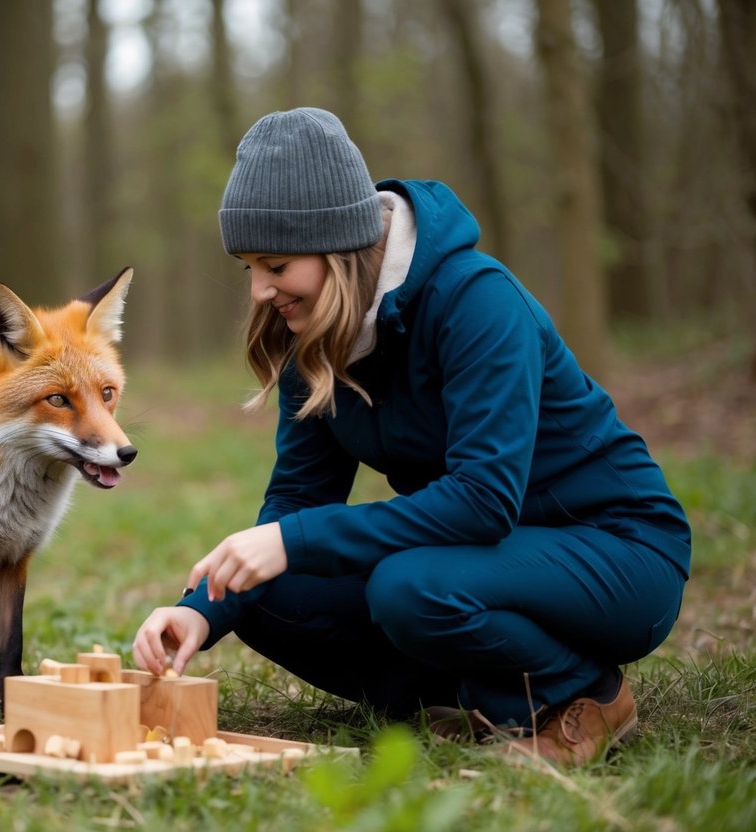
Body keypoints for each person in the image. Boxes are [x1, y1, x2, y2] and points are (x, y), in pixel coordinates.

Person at [132, 107, 691, 766]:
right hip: (481, 560)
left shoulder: (476, 300)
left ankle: (585, 693)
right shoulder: (312, 337)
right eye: (248, 268)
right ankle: (477, 699)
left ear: (336, 243)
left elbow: (483, 500)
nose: (259, 290)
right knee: (264, 594)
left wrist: (292, 540)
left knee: (409, 587)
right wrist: (201, 610)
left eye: (275, 265)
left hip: (617, 553)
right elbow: (298, 500)